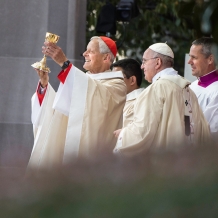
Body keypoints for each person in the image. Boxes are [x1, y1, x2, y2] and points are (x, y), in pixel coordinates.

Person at [27, 36, 126, 172]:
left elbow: (96, 104)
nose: (85, 54)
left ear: (106, 58)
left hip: (94, 160)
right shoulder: (84, 81)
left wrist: (65, 63)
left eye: (91, 51)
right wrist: (44, 85)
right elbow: (61, 110)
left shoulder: (117, 84)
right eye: (86, 50)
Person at [113, 43, 211, 156]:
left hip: (164, 163)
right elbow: (200, 129)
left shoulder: (156, 89)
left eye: (144, 61)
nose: (142, 66)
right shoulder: (188, 90)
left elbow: (143, 132)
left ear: (158, 62)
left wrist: (123, 134)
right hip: (189, 162)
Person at [188, 37, 218, 142]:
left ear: (210, 59)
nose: (189, 62)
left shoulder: (216, 91)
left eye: (194, 57)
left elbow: (212, 130)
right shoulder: (191, 86)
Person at [111, 58, 144, 130]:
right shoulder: (117, 99)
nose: (112, 83)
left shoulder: (141, 101)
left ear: (132, 80)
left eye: (117, 79)